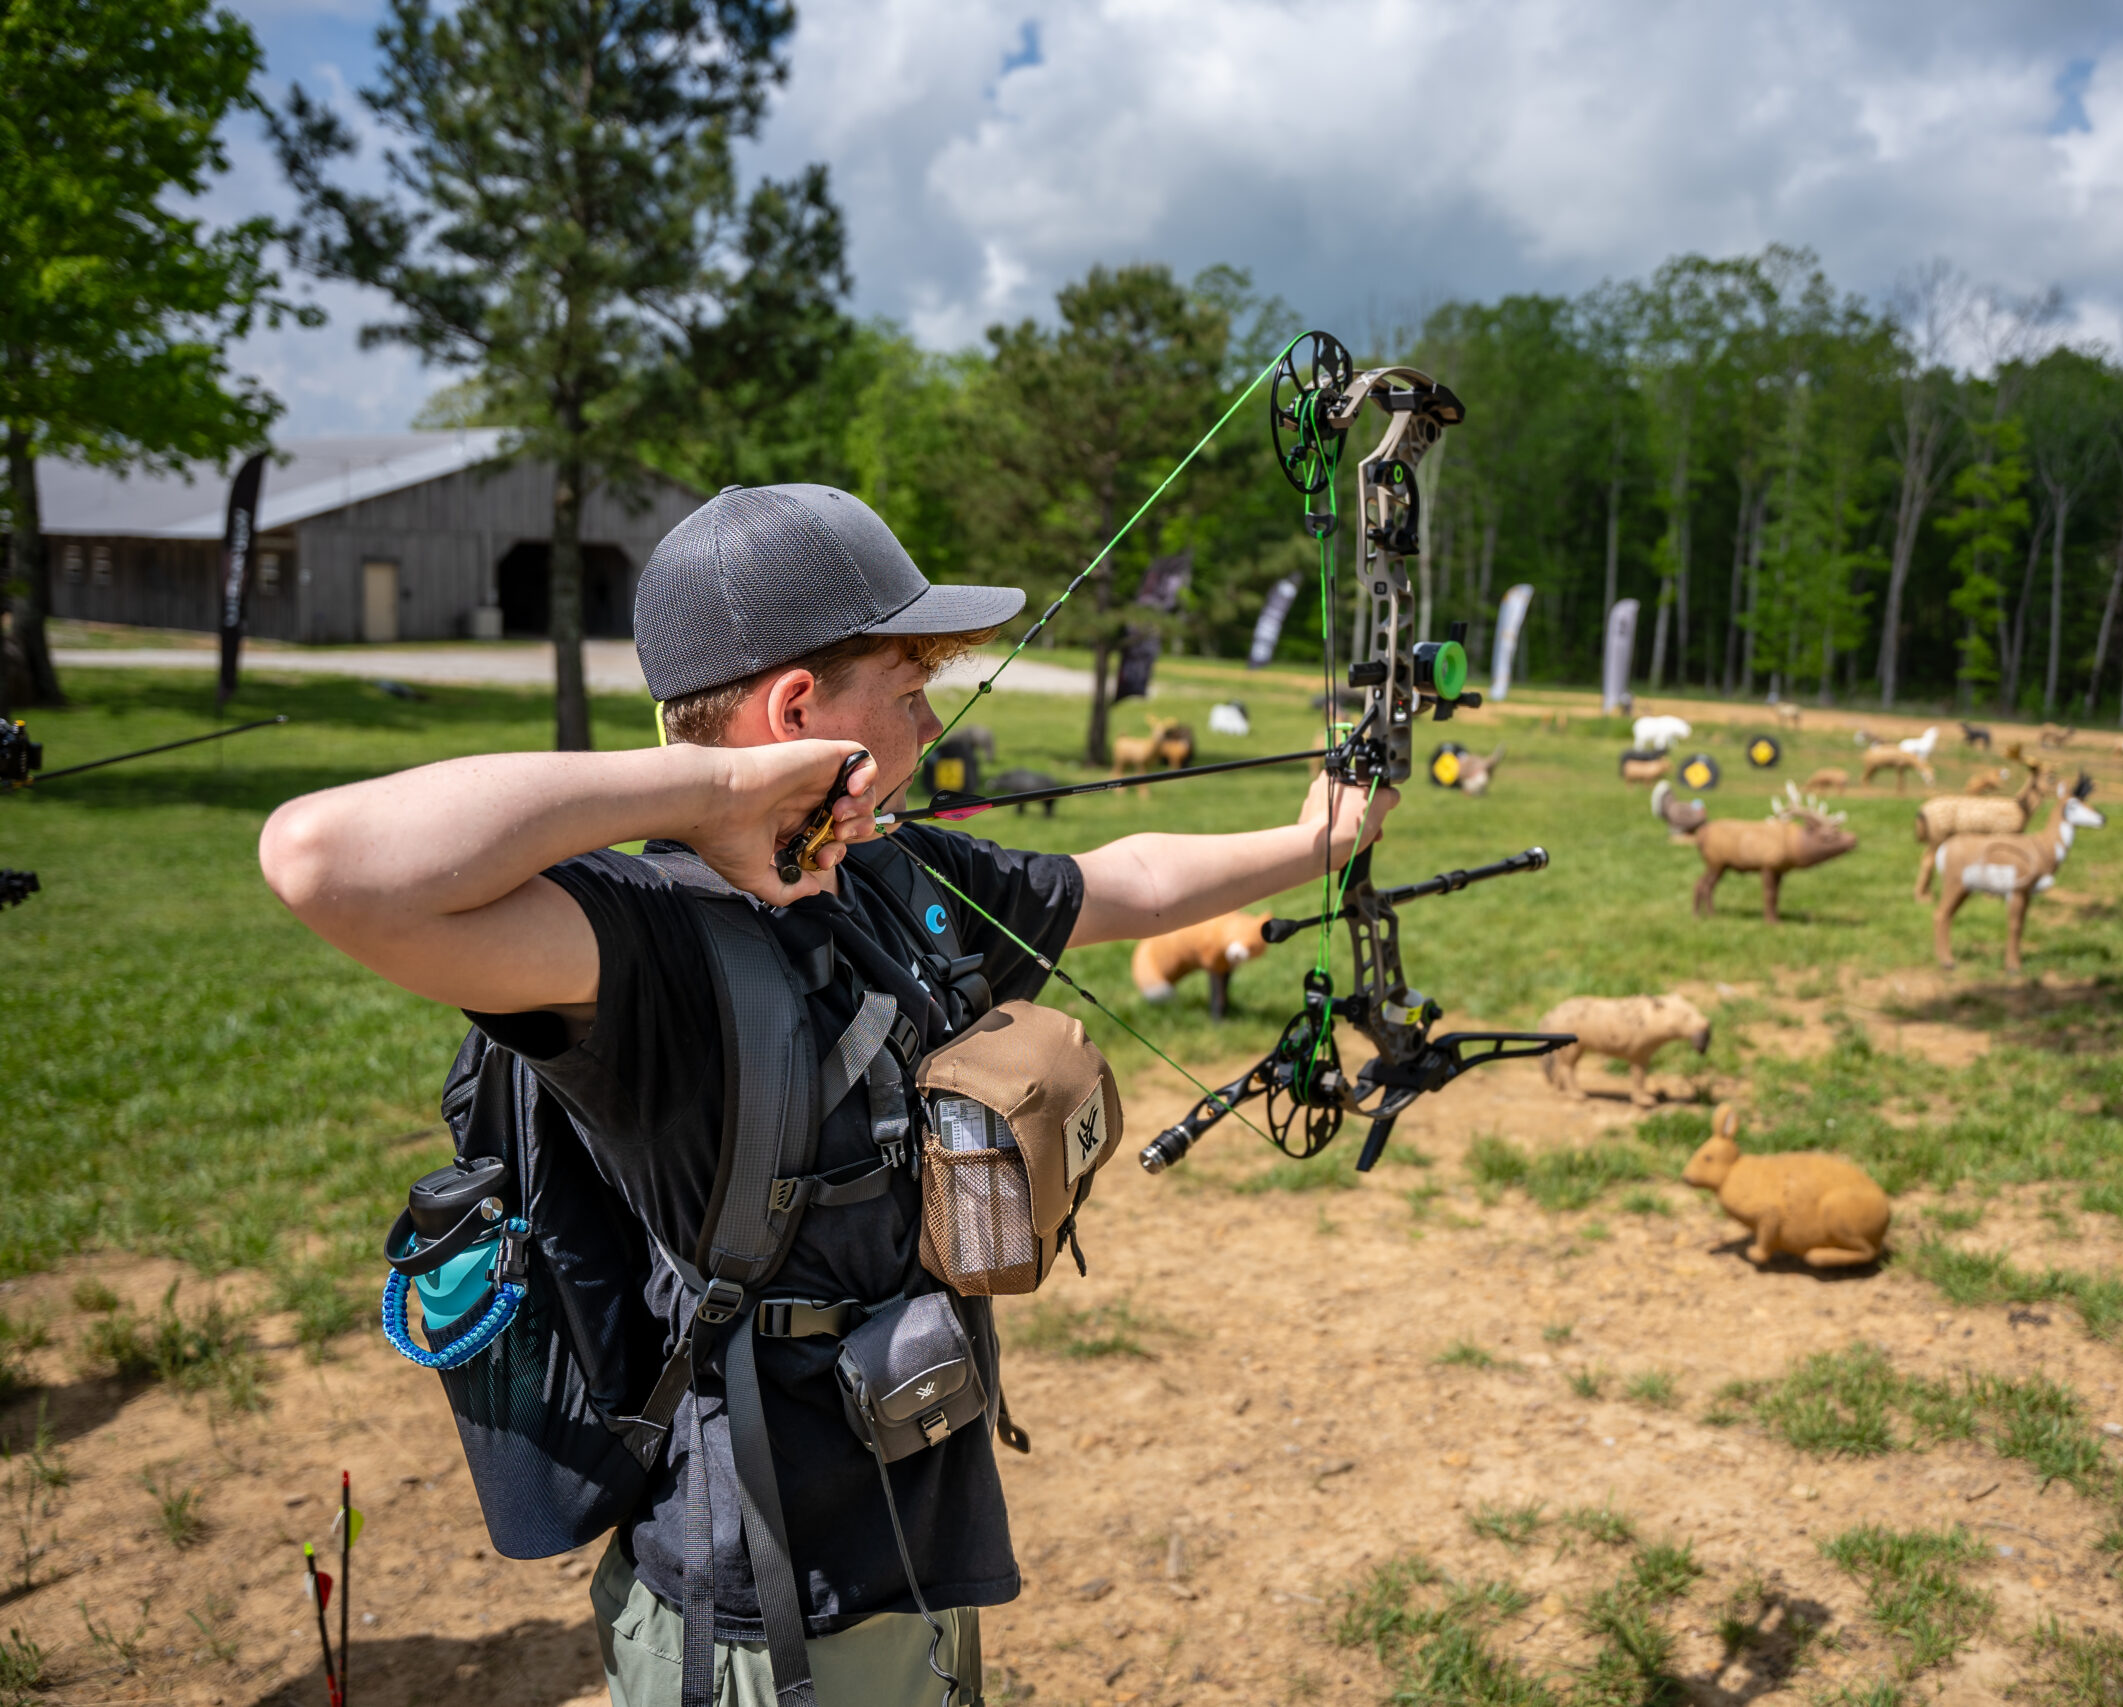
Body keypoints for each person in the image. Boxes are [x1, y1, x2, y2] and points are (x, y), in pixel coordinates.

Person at [259, 484, 1399, 1706]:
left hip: (916, 1534)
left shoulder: (891, 875)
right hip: (766, 1607)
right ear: (799, 710)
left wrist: (1319, 842)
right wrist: (708, 794)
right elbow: (323, 860)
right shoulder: (643, 942)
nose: (934, 719)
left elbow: (1121, 882)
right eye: (908, 692)